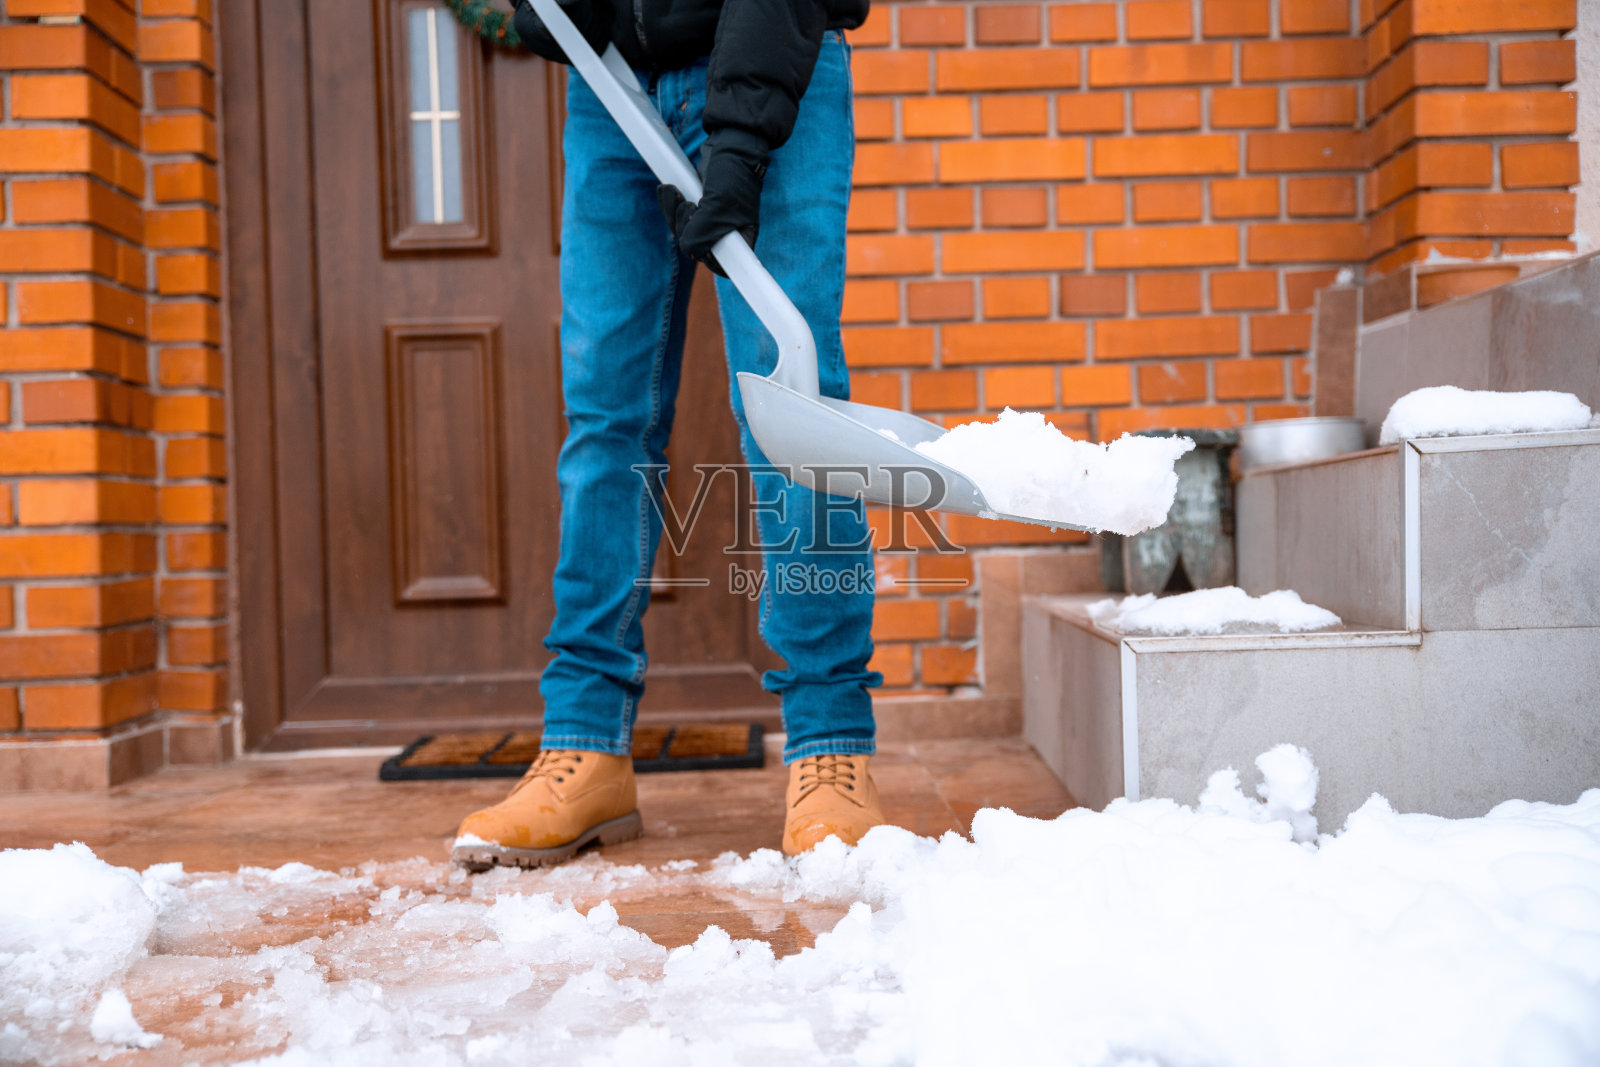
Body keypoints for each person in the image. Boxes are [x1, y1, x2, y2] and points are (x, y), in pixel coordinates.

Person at [451, 0, 885, 871]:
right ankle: (585, 745)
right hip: (612, 85)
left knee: (793, 409)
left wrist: (742, 139)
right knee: (605, 422)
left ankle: (830, 740)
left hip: (773, 60)